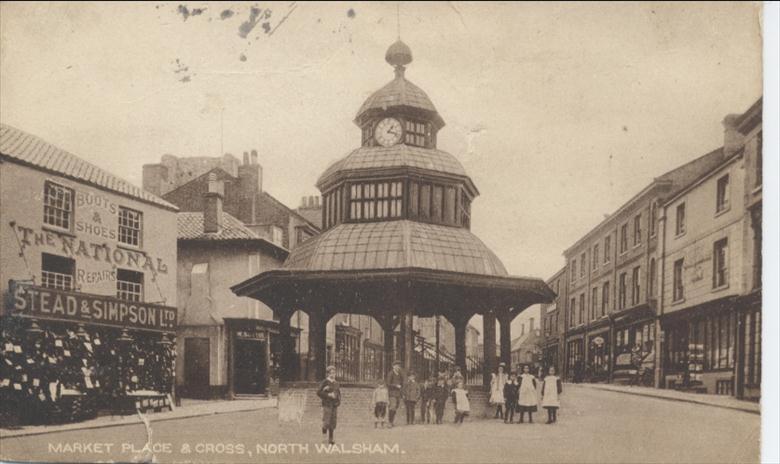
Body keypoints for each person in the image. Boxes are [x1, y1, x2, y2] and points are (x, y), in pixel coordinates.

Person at [317, 365, 341, 445]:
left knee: (333, 422)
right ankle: (324, 438)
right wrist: (328, 395)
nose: (333, 375)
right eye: (331, 373)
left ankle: (331, 439)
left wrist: (338, 401)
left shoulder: (336, 383)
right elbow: (319, 392)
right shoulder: (325, 382)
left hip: (334, 405)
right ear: (328, 374)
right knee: (326, 422)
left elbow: (338, 393)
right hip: (327, 404)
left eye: (334, 373)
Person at [386, 360, 405, 427]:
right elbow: (388, 384)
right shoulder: (390, 373)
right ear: (393, 366)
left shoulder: (400, 374)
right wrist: (395, 385)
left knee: (396, 407)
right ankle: (389, 422)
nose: (398, 367)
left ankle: (392, 421)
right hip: (392, 393)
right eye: (396, 366)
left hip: (398, 394)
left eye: (399, 366)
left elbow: (402, 383)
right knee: (392, 407)